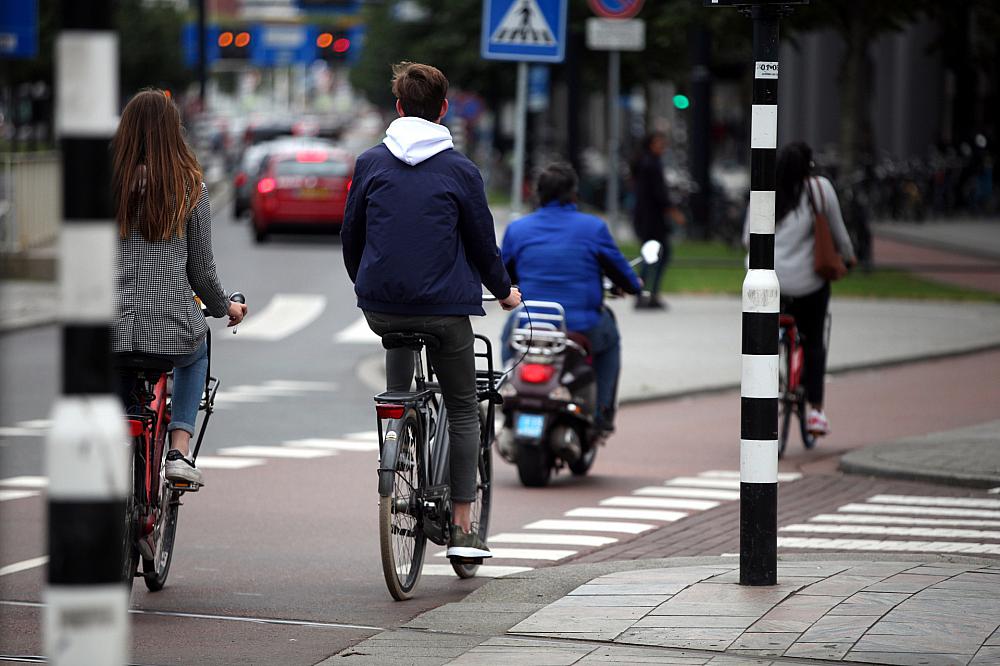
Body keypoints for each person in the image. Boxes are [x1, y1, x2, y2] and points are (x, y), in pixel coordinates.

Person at [341, 62, 521, 560]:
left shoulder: (371, 163)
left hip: (381, 306)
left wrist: (367, 283)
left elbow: (351, 236)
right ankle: (462, 526)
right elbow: (484, 247)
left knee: (397, 387)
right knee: (465, 406)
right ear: (444, 110)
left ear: (398, 109)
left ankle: (399, 431)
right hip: (444, 311)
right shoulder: (461, 170)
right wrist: (504, 291)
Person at [112, 90, 247, 486]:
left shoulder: (103, 188)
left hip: (110, 324)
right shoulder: (190, 188)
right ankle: (179, 451)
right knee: (197, 346)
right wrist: (225, 308)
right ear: (174, 133)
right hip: (170, 325)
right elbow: (201, 271)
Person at [501, 162, 641, 436]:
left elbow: (503, 276)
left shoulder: (518, 230)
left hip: (531, 323)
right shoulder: (593, 228)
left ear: (538, 194)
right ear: (573, 194)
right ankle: (602, 412)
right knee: (610, 341)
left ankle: (507, 392)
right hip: (581, 325)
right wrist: (633, 285)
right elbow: (620, 270)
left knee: (509, 337)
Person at [747, 142, 856, 436]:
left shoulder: (765, 190)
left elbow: (748, 237)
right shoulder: (820, 189)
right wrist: (849, 257)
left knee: (762, 340)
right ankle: (816, 411)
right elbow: (838, 232)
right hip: (807, 284)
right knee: (814, 340)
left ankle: (766, 391)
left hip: (767, 283)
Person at [631, 131, 685, 310]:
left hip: (645, 217)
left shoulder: (645, 162)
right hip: (652, 219)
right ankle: (647, 294)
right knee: (656, 255)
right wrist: (673, 212)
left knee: (653, 255)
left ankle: (645, 294)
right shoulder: (651, 165)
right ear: (650, 144)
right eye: (658, 143)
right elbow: (659, 194)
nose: (662, 146)